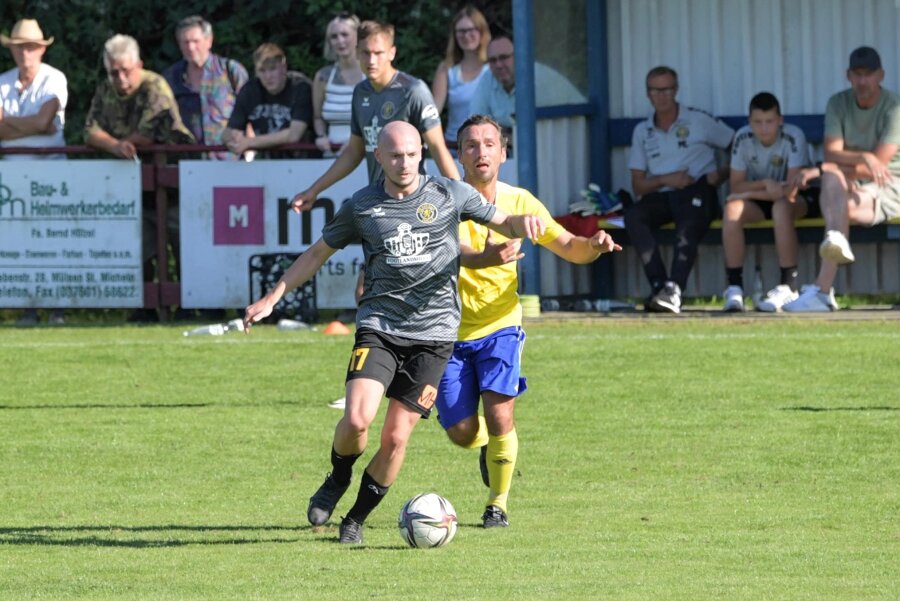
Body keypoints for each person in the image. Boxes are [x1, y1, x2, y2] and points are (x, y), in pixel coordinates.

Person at [243, 121, 546, 545]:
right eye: (394, 155)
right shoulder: (362, 206)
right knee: (356, 419)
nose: (404, 163)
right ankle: (338, 475)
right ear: (379, 158)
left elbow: (503, 219)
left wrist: (524, 224)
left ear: (421, 152)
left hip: (435, 338)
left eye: (411, 153)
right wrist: (273, 296)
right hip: (381, 328)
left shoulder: (449, 193)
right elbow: (315, 253)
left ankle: (354, 520)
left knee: (395, 437)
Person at [435, 114, 621, 528]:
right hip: (449, 332)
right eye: (471, 145)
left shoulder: (521, 202)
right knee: (462, 432)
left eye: (489, 143)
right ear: (458, 154)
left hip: (501, 325)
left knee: (501, 414)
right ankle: (484, 445)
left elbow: (570, 247)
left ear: (503, 152)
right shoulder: (445, 203)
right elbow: (462, 251)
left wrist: (594, 244)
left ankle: (497, 504)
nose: (480, 151)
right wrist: (486, 256)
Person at [291, 19, 459, 212]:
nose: (371, 61)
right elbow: (354, 152)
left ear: (392, 53)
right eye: (365, 53)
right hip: (377, 204)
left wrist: (465, 199)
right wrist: (314, 190)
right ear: (356, 53)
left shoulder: (413, 90)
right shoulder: (360, 92)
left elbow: (438, 148)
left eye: (378, 53)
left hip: (413, 204)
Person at [84, 34, 193, 319]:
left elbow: (149, 132)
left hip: (175, 181)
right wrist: (116, 146)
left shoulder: (155, 85)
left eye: (126, 70)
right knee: (141, 246)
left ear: (139, 65)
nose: (120, 78)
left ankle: (192, 305)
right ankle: (145, 308)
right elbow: (90, 130)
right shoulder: (105, 90)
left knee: (183, 244)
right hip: (133, 185)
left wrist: (119, 143)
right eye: (113, 72)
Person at [784, 46, 900, 312]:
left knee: (833, 186)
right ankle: (834, 245)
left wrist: (826, 168)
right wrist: (861, 159)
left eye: (868, 74)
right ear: (848, 75)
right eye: (857, 74)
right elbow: (831, 151)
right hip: (849, 185)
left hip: (891, 184)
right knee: (832, 182)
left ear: (880, 75)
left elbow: (880, 166)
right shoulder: (838, 102)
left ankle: (822, 291)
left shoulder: (895, 106)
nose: (862, 81)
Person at [625, 65, 734, 313]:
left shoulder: (698, 120)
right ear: (647, 94)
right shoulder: (642, 131)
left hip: (699, 190)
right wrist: (666, 179)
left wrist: (723, 173)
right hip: (662, 193)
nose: (661, 95)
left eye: (666, 89)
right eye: (655, 90)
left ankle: (674, 288)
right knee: (633, 215)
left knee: (688, 223)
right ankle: (659, 285)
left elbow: (738, 144)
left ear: (676, 91)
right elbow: (638, 185)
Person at [721, 92, 822, 312]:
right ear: (750, 122)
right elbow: (735, 187)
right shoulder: (742, 137)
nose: (764, 128)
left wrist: (748, 193)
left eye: (769, 122)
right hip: (763, 197)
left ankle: (788, 285)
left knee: (781, 207)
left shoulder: (794, 136)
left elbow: (791, 191)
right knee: (731, 208)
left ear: (780, 120)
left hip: (801, 199)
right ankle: (735, 288)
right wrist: (765, 184)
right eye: (757, 122)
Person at [0, 18, 67, 325]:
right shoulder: (3, 81)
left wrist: (8, 126)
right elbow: (42, 123)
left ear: (41, 49)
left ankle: (56, 309)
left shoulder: (55, 79)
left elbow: (46, 122)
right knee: (18, 242)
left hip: (50, 177)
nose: (24, 54)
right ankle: (28, 307)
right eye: (19, 48)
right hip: (11, 179)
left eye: (30, 47)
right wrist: (36, 125)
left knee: (52, 240)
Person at [162, 15, 249, 160]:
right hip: (186, 162)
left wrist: (250, 150)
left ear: (209, 41)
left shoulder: (230, 71)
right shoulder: (170, 77)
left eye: (195, 41)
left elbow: (251, 110)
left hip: (229, 159)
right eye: (185, 42)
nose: (190, 47)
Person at [224, 43, 312, 158]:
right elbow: (229, 130)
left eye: (272, 69)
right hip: (268, 162)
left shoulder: (300, 87)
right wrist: (231, 138)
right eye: (262, 71)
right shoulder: (250, 90)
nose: (268, 76)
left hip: (305, 162)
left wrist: (249, 142)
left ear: (284, 67)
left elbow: (294, 134)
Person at [430, 5, 490, 148]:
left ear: (481, 32)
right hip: (454, 148)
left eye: (471, 30)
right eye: (461, 31)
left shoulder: (493, 68)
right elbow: (432, 113)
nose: (466, 35)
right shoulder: (446, 69)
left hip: (487, 147)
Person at [312, 12, 364, 157]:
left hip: (367, 155)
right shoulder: (323, 77)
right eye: (334, 37)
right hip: (332, 156)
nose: (340, 41)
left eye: (344, 34)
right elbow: (317, 118)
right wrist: (321, 136)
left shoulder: (372, 74)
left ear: (357, 36)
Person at [468, 36, 514, 134]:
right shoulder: (487, 78)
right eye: (493, 60)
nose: (498, 65)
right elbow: (477, 124)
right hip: (502, 146)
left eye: (504, 57)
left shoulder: (539, 78)